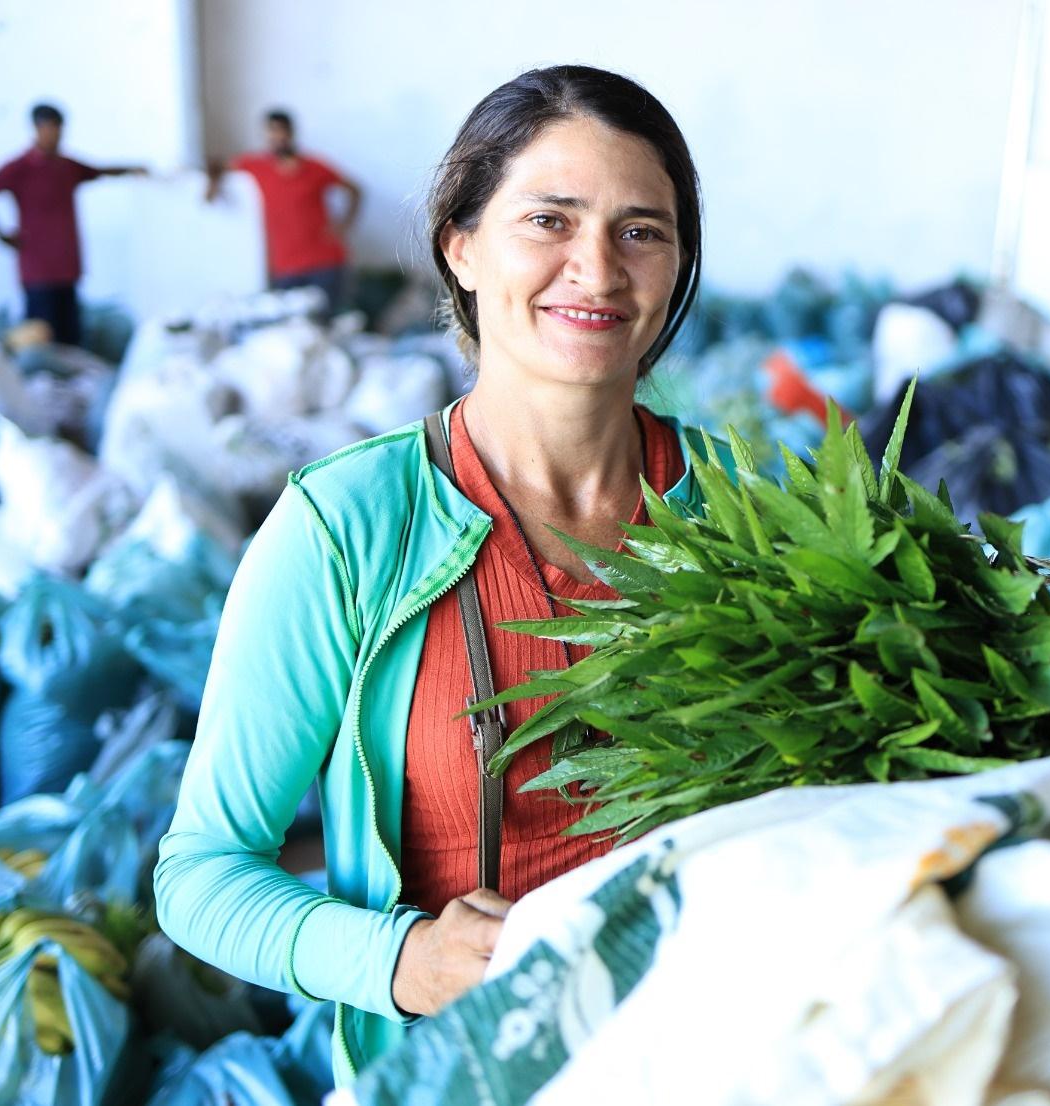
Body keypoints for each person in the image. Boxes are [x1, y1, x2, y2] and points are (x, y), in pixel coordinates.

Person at [156, 66, 718, 1086]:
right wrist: (404, 960)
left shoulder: (743, 510)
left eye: (642, 231)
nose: (595, 268)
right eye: (549, 220)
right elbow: (202, 875)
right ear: (459, 245)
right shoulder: (349, 528)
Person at [0, 103, 145, 347]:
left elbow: (99, 170)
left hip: (67, 268)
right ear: (37, 129)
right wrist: (0, 234)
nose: (55, 134)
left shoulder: (67, 167)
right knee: (40, 340)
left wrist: (135, 169)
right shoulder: (21, 168)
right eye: (50, 128)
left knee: (70, 340)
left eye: (59, 129)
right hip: (38, 271)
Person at [208, 109, 363, 314]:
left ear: (291, 133)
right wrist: (212, 185)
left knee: (328, 325)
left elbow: (354, 190)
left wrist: (344, 225)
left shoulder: (315, 167)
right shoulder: (256, 166)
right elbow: (218, 167)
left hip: (325, 263)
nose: (278, 137)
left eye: (282, 132)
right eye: (272, 132)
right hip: (285, 266)